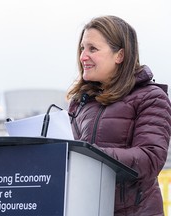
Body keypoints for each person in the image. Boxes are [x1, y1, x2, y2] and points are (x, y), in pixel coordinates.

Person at [67, 15, 171, 216]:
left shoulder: (151, 98)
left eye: (92, 49)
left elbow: (150, 158)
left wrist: (93, 155)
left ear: (119, 55)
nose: (83, 57)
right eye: (82, 49)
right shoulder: (81, 102)